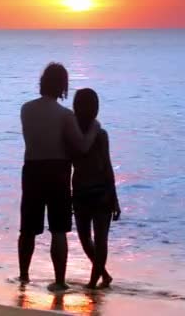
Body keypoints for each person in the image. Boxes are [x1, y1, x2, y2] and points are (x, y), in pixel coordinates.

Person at [19, 63, 100, 291]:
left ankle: (24, 276)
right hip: (58, 171)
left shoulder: (26, 109)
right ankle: (60, 281)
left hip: (32, 169)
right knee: (58, 229)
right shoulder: (65, 115)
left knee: (27, 229)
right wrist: (94, 127)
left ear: (42, 82)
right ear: (63, 86)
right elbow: (83, 147)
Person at [71, 88, 121, 289]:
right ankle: (104, 275)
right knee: (85, 239)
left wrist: (114, 198)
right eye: (89, 105)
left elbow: (107, 166)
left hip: (101, 193)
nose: (92, 110)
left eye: (93, 106)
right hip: (81, 193)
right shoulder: (72, 135)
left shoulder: (101, 135)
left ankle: (94, 281)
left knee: (100, 239)